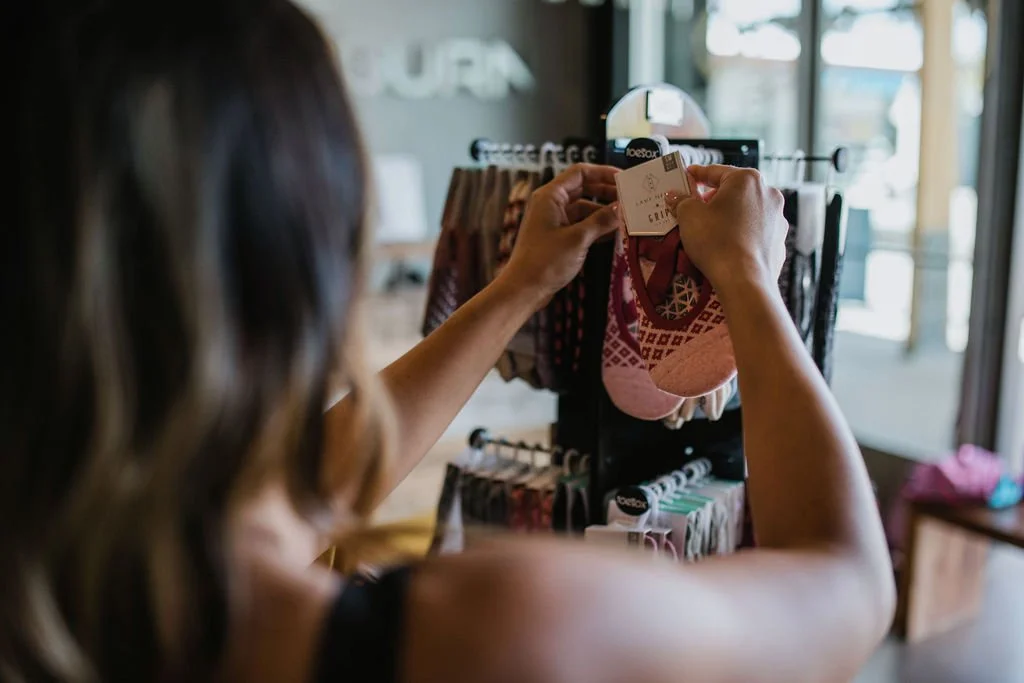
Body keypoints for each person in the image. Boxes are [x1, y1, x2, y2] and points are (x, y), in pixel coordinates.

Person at [2, 1, 895, 682]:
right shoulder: (495, 631)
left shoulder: (75, 592)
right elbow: (848, 582)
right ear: (299, 273)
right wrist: (750, 282)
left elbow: (311, 484)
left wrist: (518, 289)